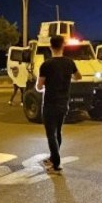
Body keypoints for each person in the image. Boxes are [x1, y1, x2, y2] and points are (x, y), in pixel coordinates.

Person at [37, 35, 81, 174]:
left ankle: (56, 163)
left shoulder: (46, 65)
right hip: (63, 103)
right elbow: (78, 77)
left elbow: (39, 86)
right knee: (58, 131)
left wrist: (43, 86)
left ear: (50, 47)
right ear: (63, 46)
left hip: (50, 103)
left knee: (51, 134)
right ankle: (53, 158)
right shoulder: (69, 63)